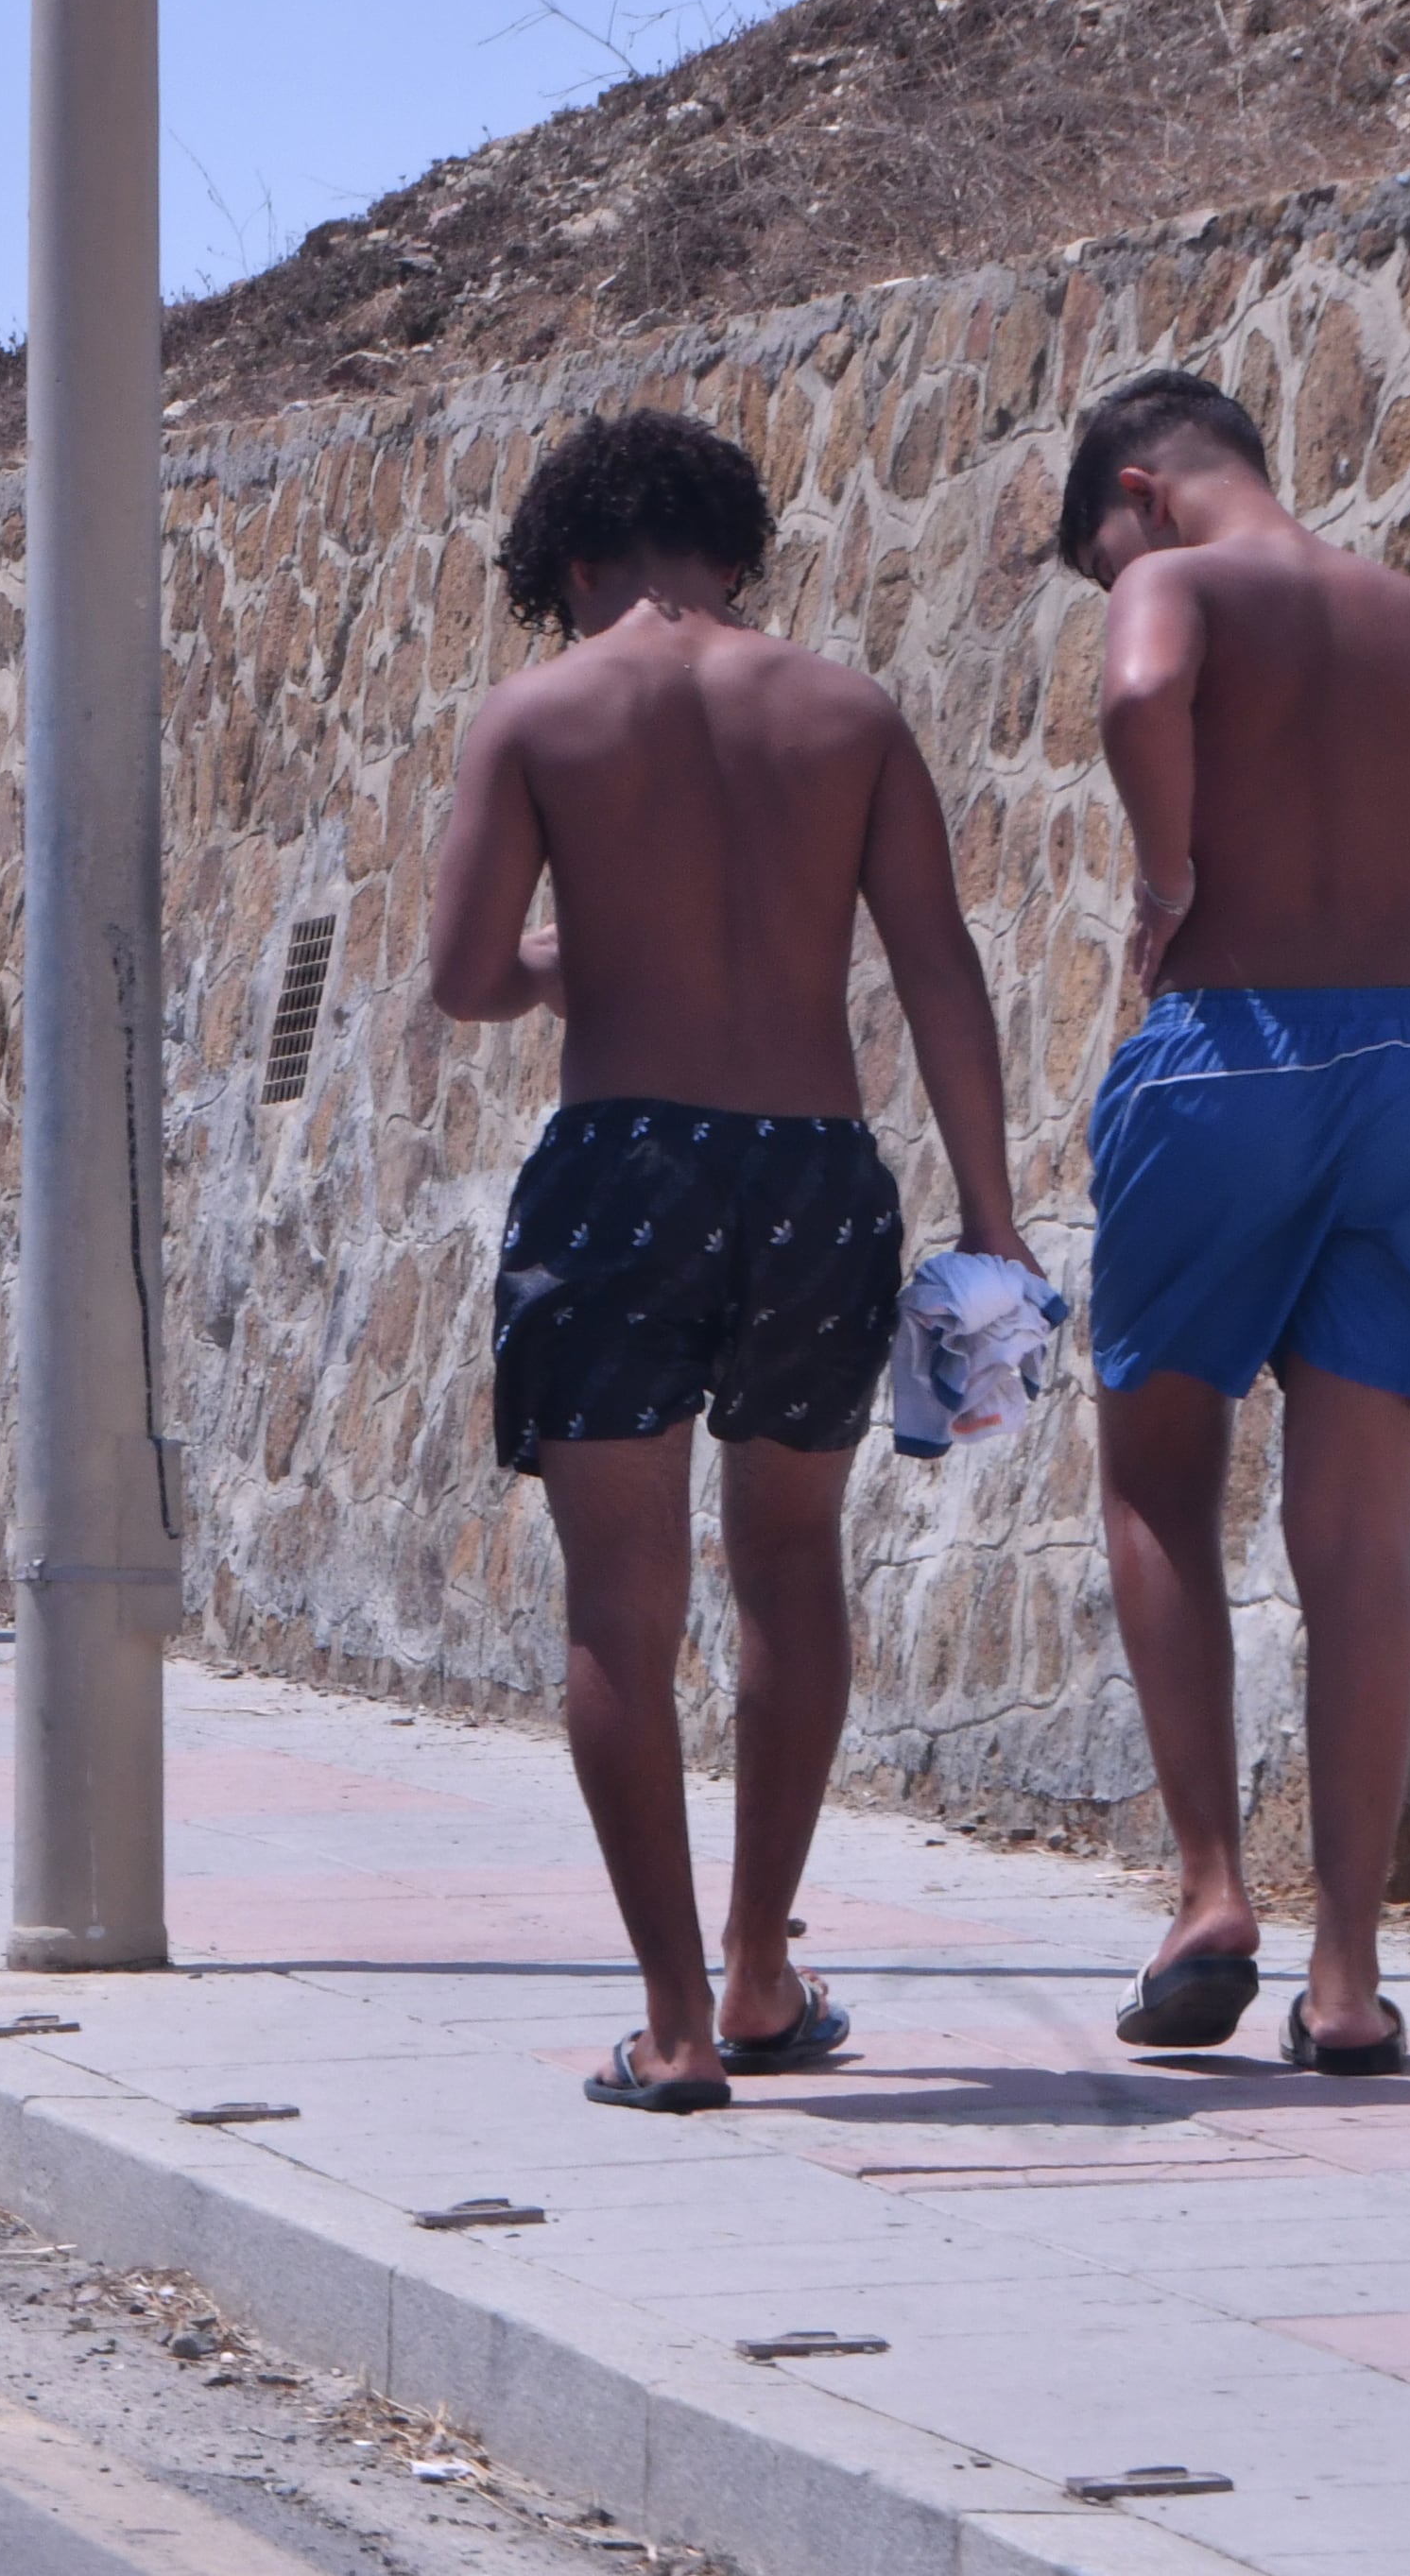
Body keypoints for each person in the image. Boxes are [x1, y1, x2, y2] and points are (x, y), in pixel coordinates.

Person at [429, 412, 1032, 2111]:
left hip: (623, 1160)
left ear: (572, 563)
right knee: (791, 1561)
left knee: (622, 1595)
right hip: (814, 1172)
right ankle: (767, 1966)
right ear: (734, 548)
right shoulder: (847, 711)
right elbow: (939, 969)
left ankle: (676, 2020)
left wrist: (570, 958)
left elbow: (467, 973)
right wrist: (991, 1214)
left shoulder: (539, 711)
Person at [1058, 370, 1410, 2079]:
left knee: (1154, 1472)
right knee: (1356, 1534)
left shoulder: (1180, 582)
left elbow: (1144, 690)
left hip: (1232, 1050)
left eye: (1106, 549)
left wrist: (1164, 866)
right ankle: (1348, 1976)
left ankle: (1213, 1886)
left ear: (1142, 487)